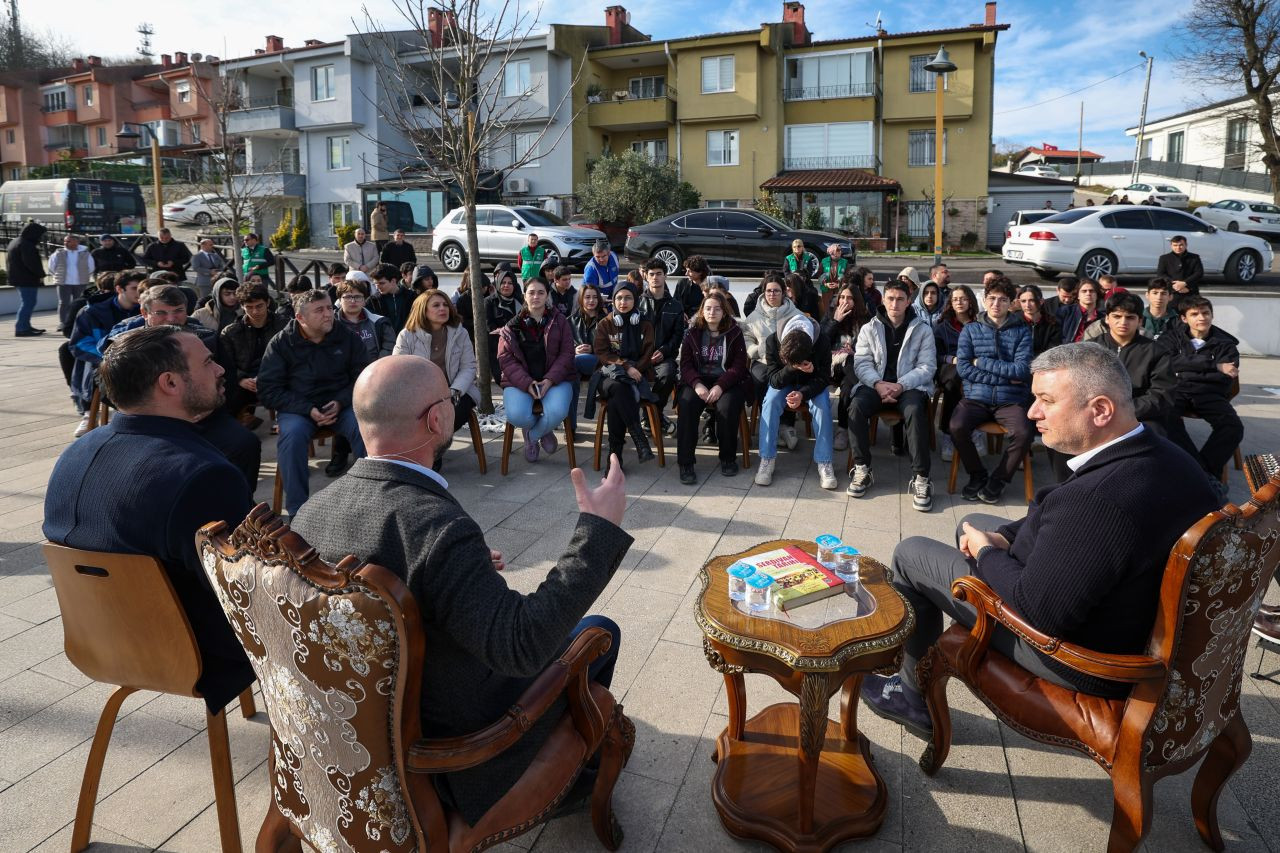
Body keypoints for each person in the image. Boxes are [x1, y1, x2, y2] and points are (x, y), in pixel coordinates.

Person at [289, 353, 630, 824]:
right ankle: (567, 774)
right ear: (436, 418)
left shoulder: (310, 512)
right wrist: (598, 530)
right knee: (599, 630)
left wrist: (459, 574)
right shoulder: (435, 527)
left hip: (359, 728)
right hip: (455, 749)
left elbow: (382, 577)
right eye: (449, 398)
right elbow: (521, 645)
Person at [860, 343, 1221, 737]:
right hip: (1126, 611)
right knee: (972, 520)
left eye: (1046, 401)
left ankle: (912, 697)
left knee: (911, 553)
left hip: (1080, 657)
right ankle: (953, 633)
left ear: (1100, 410)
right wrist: (1001, 537)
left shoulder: (1098, 500)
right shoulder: (1162, 454)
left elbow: (1039, 612)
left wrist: (984, 552)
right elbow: (1058, 520)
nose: (1033, 413)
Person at [44, 324, 257, 714]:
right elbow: (247, 591)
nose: (221, 370)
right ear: (171, 382)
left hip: (96, 643)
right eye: (208, 361)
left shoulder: (74, 453)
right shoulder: (203, 474)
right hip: (192, 657)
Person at [257, 290, 372, 516]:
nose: (328, 314)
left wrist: (340, 402)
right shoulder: (282, 343)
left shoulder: (347, 337)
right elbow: (268, 390)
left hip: (341, 404)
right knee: (292, 437)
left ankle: (367, 501)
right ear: (300, 318)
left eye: (329, 308)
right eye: (319, 310)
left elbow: (362, 378)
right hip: (298, 408)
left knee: (366, 429)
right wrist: (306, 409)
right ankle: (298, 511)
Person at [1049, 294, 1177, 482]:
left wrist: (1123, 411)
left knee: (1157, 439)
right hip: (1094, 413)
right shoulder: (1090, 349)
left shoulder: (1156, 352)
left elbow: (1162, 395)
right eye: (1117, 316)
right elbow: (1074, 385)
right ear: (1107, 318)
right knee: (1062, 433)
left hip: (1138, 416)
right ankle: (1067, 488)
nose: (1123, 322)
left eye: (1130, 317)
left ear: (1140, 320)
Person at [845, 278, 937, 510]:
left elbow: (927, 367)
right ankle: (863, 468)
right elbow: (861, 363)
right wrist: (877, 384)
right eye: (890, 299)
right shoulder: (870, 328)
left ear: (908, 302)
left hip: (908, 387)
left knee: (916, 411)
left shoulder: (922, 329)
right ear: (883, 300)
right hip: (876, 384)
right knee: (855, 407)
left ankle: (921, 478)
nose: (894, 304)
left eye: (900, 299)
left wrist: (901, 385)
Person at [951, 278, 1034, 504]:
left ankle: (999, 480)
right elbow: (964, 368)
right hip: (976, 397)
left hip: (1010, 400)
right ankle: (977, 475)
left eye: (1003, 299)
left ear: (1011, 303)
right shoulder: (971, 329)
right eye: (992, 299)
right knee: (957, 425)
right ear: (984, 300)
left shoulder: (1022, 331)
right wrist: (1002, 376)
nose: (996, 304)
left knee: (1024, 432)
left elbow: (1022, 370)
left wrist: (982, 362)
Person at [1160, 296, 1243, 497]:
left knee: (1233, 426)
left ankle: (1199, 473)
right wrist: (1213, 366)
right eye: (1195, 314)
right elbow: (1165, 364)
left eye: (1205, 313)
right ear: (1184, 318)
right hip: (1177, 391)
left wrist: (1185, 367)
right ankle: (1205, 476)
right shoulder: (1170, 338)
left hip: (1210, 393)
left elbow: (1225, 378)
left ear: (1212, 315)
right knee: (1163, 417)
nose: (1201, 318)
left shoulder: (1226, 344)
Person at [392, 289, 481, 470]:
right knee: (420, 414)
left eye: (445, 305)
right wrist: (425, 394)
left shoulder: (459, 332)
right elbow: (399, 369)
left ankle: (433, 452)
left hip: (456, 390)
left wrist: (453, 391)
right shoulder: (407, 335)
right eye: (436, 305)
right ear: (423, 310)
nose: (443, 309)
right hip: (421, 393)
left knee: (454, 411)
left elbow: (469, 366)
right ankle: (428, 452)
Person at [497, 277, 576, 463]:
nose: (536, 296)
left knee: (557, 411)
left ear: (547, 295)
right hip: (520, 382)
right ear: (524, 295)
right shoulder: (512, 326)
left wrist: (549, 380)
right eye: (531, 292)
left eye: (541, 292)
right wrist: (527, 383)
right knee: (516, 415)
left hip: (556, 380)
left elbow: (567, 353)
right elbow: (505, 360)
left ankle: (532, 436)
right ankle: (544, 430)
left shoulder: (560, 321)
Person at [755, 313, 837, 489]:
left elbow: (824, 378)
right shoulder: (772, 340)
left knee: (822, 407)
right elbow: (773, 380)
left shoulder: (821, 341)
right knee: (770, 402)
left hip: (812, 385)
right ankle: (767, 459)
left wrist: (803, 394)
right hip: (784, 382)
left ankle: (825, 462)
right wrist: (792, 368)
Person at [676, 291, 749, 484]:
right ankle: (686, 463)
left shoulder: (735, 332)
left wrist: (720, 386)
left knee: (727, 407)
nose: (712, 312)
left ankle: (728, 458)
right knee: (687, 404)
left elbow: (739, 366)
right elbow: (685, 365)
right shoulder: (692, 333)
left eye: (717, 309)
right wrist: (697, 384)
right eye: (708, 308)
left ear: (724, 312)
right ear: (702, 311)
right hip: (698, 380)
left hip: (727, 381)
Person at [593, 283, 657, 470]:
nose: (623, 302)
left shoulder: (645, 324)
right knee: (618, 387)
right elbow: (603, 353)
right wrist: (627, 367)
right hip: (608, 376)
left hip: (637, 376)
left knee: (616, 401)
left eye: (628, 298)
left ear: (635, 300)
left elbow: (648, 353)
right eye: (619, 298)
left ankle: (614, 458)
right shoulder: (605, 323)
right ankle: (639, 438)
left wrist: (634, 369)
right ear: (613, 300)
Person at [68, 272, 142, 435]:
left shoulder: (146, 310)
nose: (140, 293)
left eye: (142, 288)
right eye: (134, 288)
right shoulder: (91, 312)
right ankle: (89, 414)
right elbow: (79, 344)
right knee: (98, 366)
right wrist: (111, 355)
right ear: (119, 289)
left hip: (138, 359)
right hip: (100, 360)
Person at [743, 272, 803, 450]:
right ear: (764, 292)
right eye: (769, 291)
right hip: (762, 360)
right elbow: (747, 338)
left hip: (787, 362)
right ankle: (769, 422)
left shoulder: (795, 314)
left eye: (776, 291)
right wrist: (756, 351)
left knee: (790, 377)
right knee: (762, 379)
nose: (772, 295)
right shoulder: (754, 316)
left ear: (783, 292)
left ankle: (787, 424)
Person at [220, 281, 288, 427]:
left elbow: (294, 356)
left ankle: (283, 429)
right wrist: (241, 379)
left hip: (279, 378)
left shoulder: (284, 325)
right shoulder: (231, 332)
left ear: (268, 302)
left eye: (259, 306)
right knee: (226, 398)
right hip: (247, 381)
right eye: (249, 307)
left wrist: (273, 377)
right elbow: (226, 364)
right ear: (242, 307)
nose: (255, 312)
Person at [822, 279, 870, 452]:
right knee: (849, 371)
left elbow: (871, 348)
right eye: (842, 297)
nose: (844, 301)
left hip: (853, 366)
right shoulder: (831, 314)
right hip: (831, 366)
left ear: (856, 301)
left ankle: (843, 429)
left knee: (848, 387)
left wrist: (854, 351)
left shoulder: (865, 320)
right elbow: (821, 342)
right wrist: (835, 321)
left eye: (849, 298)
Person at [639, 259, 686, 435]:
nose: (655, 278)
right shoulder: (637, 304)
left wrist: (664, 350)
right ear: (646, 276)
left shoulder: (675, 305)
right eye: (652, 274)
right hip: (641, 356)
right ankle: (653, 417)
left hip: (665, 356)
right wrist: (645, 353)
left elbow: (678, 335)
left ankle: (652, 414)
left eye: (659, 274)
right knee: (634, 375)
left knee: (668, 374)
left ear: (665, 276)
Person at [934, 284, 979, 462]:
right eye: (955, 299)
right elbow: (935, 355)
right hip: (949, 368)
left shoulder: (980, 323)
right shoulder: (942, 326)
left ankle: (975, 429)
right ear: (950, 303)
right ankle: (947, 434)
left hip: (974, 366)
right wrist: (952, 360)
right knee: (954, 382)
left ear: (970, 301)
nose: (959, 302)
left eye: (963, 298)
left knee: (978, 382)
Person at [569, 283, 606, 436]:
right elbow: (562, 345)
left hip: (600, 361)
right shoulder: (570, 320)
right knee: (571, 378)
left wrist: (593, 348)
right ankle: (570, 426)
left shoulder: (606, 320)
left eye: (595, 297)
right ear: (581, 299)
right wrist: (574, 349)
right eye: (587, 297)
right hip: (576, 362)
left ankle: (570, 426)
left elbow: (613, 347)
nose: (591, 301)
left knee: (573, 364)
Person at [50, 233, 96, 332]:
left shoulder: (85, 254)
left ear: (77, 242)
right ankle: (63, 323)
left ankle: (77, 322)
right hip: (63, 283)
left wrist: (83, 276)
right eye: (65, 241)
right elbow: (52, 267)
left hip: (80, 283)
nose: (66, 243)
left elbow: (91, 268)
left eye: (69, 241)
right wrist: (59, 276)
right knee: (63, 303)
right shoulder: (58, 253)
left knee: (79, 303)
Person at [8, 220, 47, 337]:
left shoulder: (16, 241)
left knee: (28, 302)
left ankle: (25, 325)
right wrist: (41, 275)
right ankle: (21, 328)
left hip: (20, 278)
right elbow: (31, 263)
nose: (40, 237)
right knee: (28, 303)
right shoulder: (26, 245)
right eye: (39, 234)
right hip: (26, 279)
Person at [484, 268, 523, 382]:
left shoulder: (520, 301)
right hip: (497, 347)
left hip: (518, 347)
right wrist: (505, 332)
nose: (506, 286)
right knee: (501, 379)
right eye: (503, 282)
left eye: (510, 283)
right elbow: (489, 325)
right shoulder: (489, 302)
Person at [1156, 235, 1203, 308]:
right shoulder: (1164, 258)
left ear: (1186, 245)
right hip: (1172, 293)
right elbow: (1161, 274)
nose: (1178, 247)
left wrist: (1185, 284)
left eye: (1181, 245)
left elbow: (1199, 273)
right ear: (1171, 246)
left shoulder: (1194, 257)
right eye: (1175, 245)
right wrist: (1175, 286)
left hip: (1190, 292)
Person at [1017, 285, 1062, 356]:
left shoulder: (1052, 323)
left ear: (1041, 301)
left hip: (1043, 363)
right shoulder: (1012, 321)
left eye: (1032, 300)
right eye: (1023, 301)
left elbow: (1054, 350)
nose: (1027, 305)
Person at [369, 263, 414, 333]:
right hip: (383, 341)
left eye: (381, 283)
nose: (377, 287)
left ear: (393, 281)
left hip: (408, 340)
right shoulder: (372, 301)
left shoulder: (412, 297)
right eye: (375, 284)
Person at [1060, 278, 1102, 343]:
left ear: (1097, 295)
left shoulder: (1103, 318)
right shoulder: (1065, 312)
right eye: (1084, 291)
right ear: (1078, 295)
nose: (1088, 293)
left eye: (1091, 291)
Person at [818, 244, 849, 310]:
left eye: (840, 250)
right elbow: (819, 275)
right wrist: (826, 284)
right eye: (837, 250)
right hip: (826, 290)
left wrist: (838, 285)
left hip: (839, 290)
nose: (840, 251)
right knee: (826, 310)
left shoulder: (845, 262)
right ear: (832, 252)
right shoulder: (824, 261)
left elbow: (848, 277)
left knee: (838, 308)